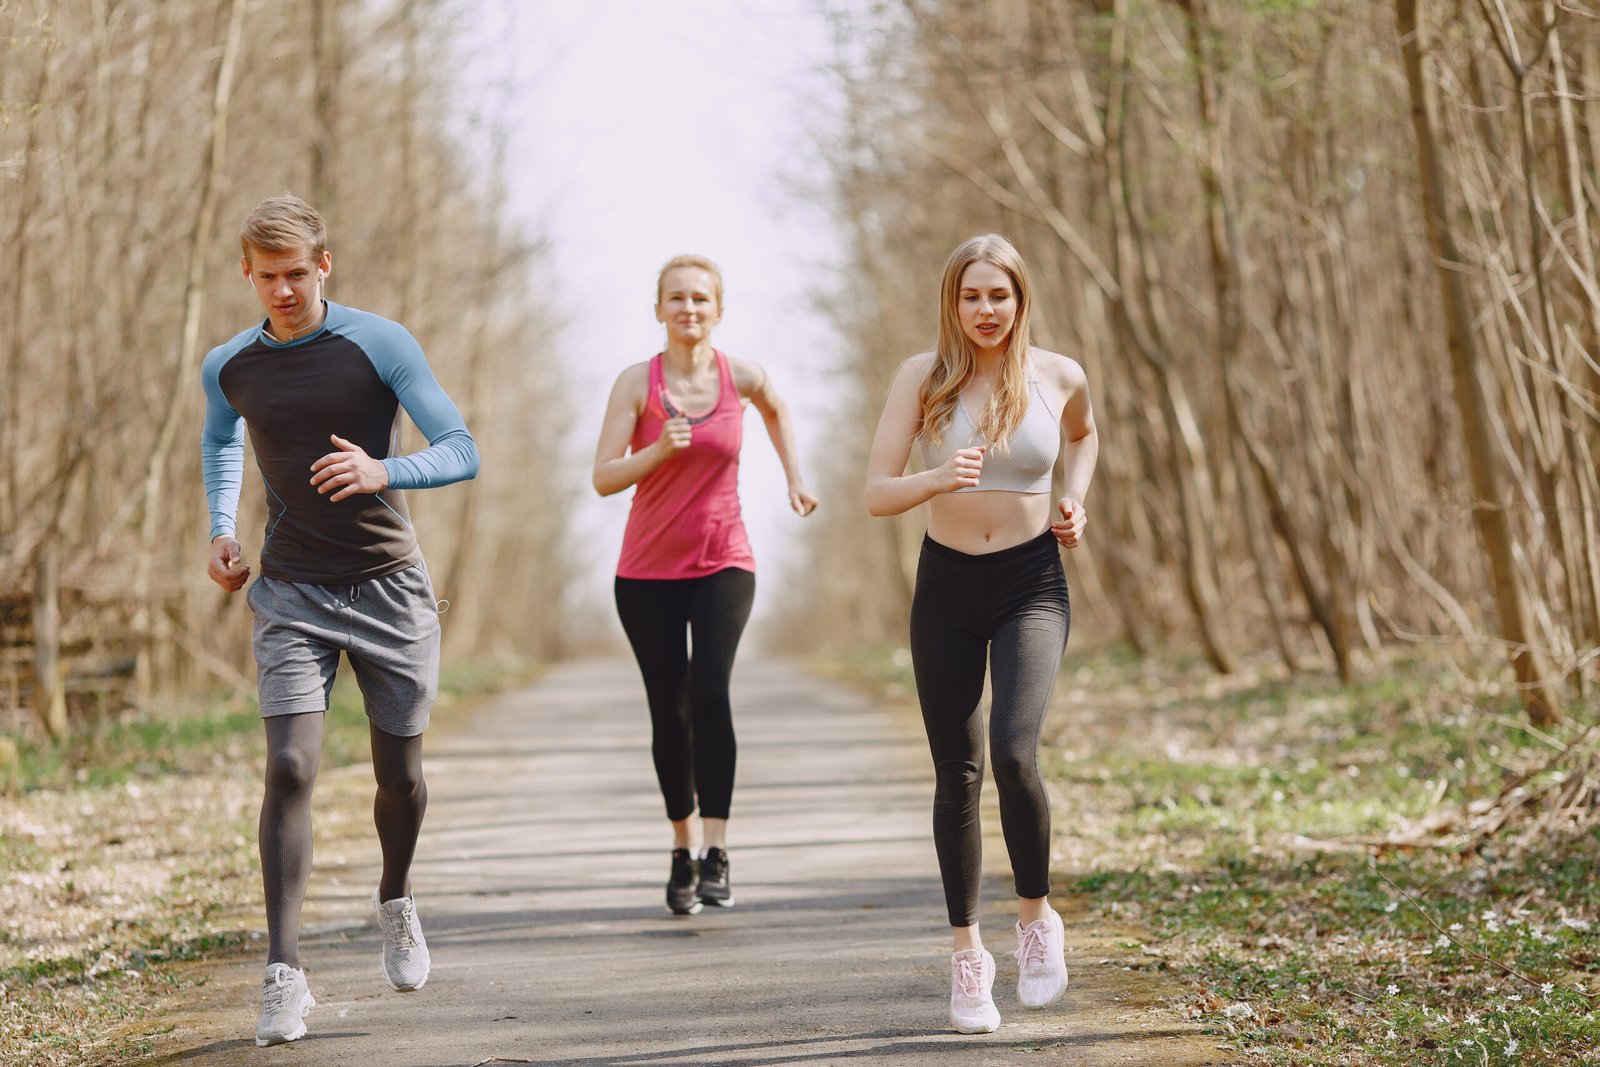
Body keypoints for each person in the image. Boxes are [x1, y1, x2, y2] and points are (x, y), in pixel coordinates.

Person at [200, 195, 479, 1046]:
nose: (282, 291)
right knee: (288, 764)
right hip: (291, 590)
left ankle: (395, 896)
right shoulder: (230, 363)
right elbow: (220, 441)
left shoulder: (379, 343)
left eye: (297, 274)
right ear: (246, 272)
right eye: (266, 275)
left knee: (400, 778)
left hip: (390, 585)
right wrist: (221, 527)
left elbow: (461, 446)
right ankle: (285, 971)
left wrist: (383, 467)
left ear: (324, 267)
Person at [865, 233, 1098, 1033]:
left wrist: (1075, 497)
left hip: (1032, 583)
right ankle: (968, 953)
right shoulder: (922, 378)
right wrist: (937, 475)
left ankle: (1035, 920)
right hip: (947, 586)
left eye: (999, 295)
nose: (986, 310)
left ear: (1020, 298)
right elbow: (875, 491)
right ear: (952, 302)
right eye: (972, 296)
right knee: (956, 771)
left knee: (1013, 751)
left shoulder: (1059, 374)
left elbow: (1082, 433)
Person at [592, 254, 816, 915]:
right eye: (676, 298)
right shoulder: (637, 383)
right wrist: (659, 448)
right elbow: (603, 476)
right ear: (658, 308)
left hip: (724, 558)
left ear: (719, 309)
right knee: (671, 707)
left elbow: (776, 408)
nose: (689, 308)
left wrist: (794, 476)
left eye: (700, 299)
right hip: (645, 572)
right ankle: (682, 848)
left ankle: (718, 849)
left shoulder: (739, 376)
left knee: (711, 689)